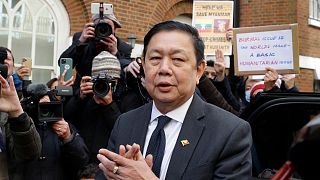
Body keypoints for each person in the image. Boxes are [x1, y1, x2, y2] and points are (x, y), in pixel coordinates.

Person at [97, 21, 252, 179]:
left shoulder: (229, 132)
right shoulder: (125, 123)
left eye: (177, 59)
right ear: (143, 64)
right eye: (155, 58)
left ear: (199, 70)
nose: (164, 68)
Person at [0, 47, 41, 179]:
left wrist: (17, 113)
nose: (5, 62)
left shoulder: (15, 99)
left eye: (8, 59)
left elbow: (29, 153)